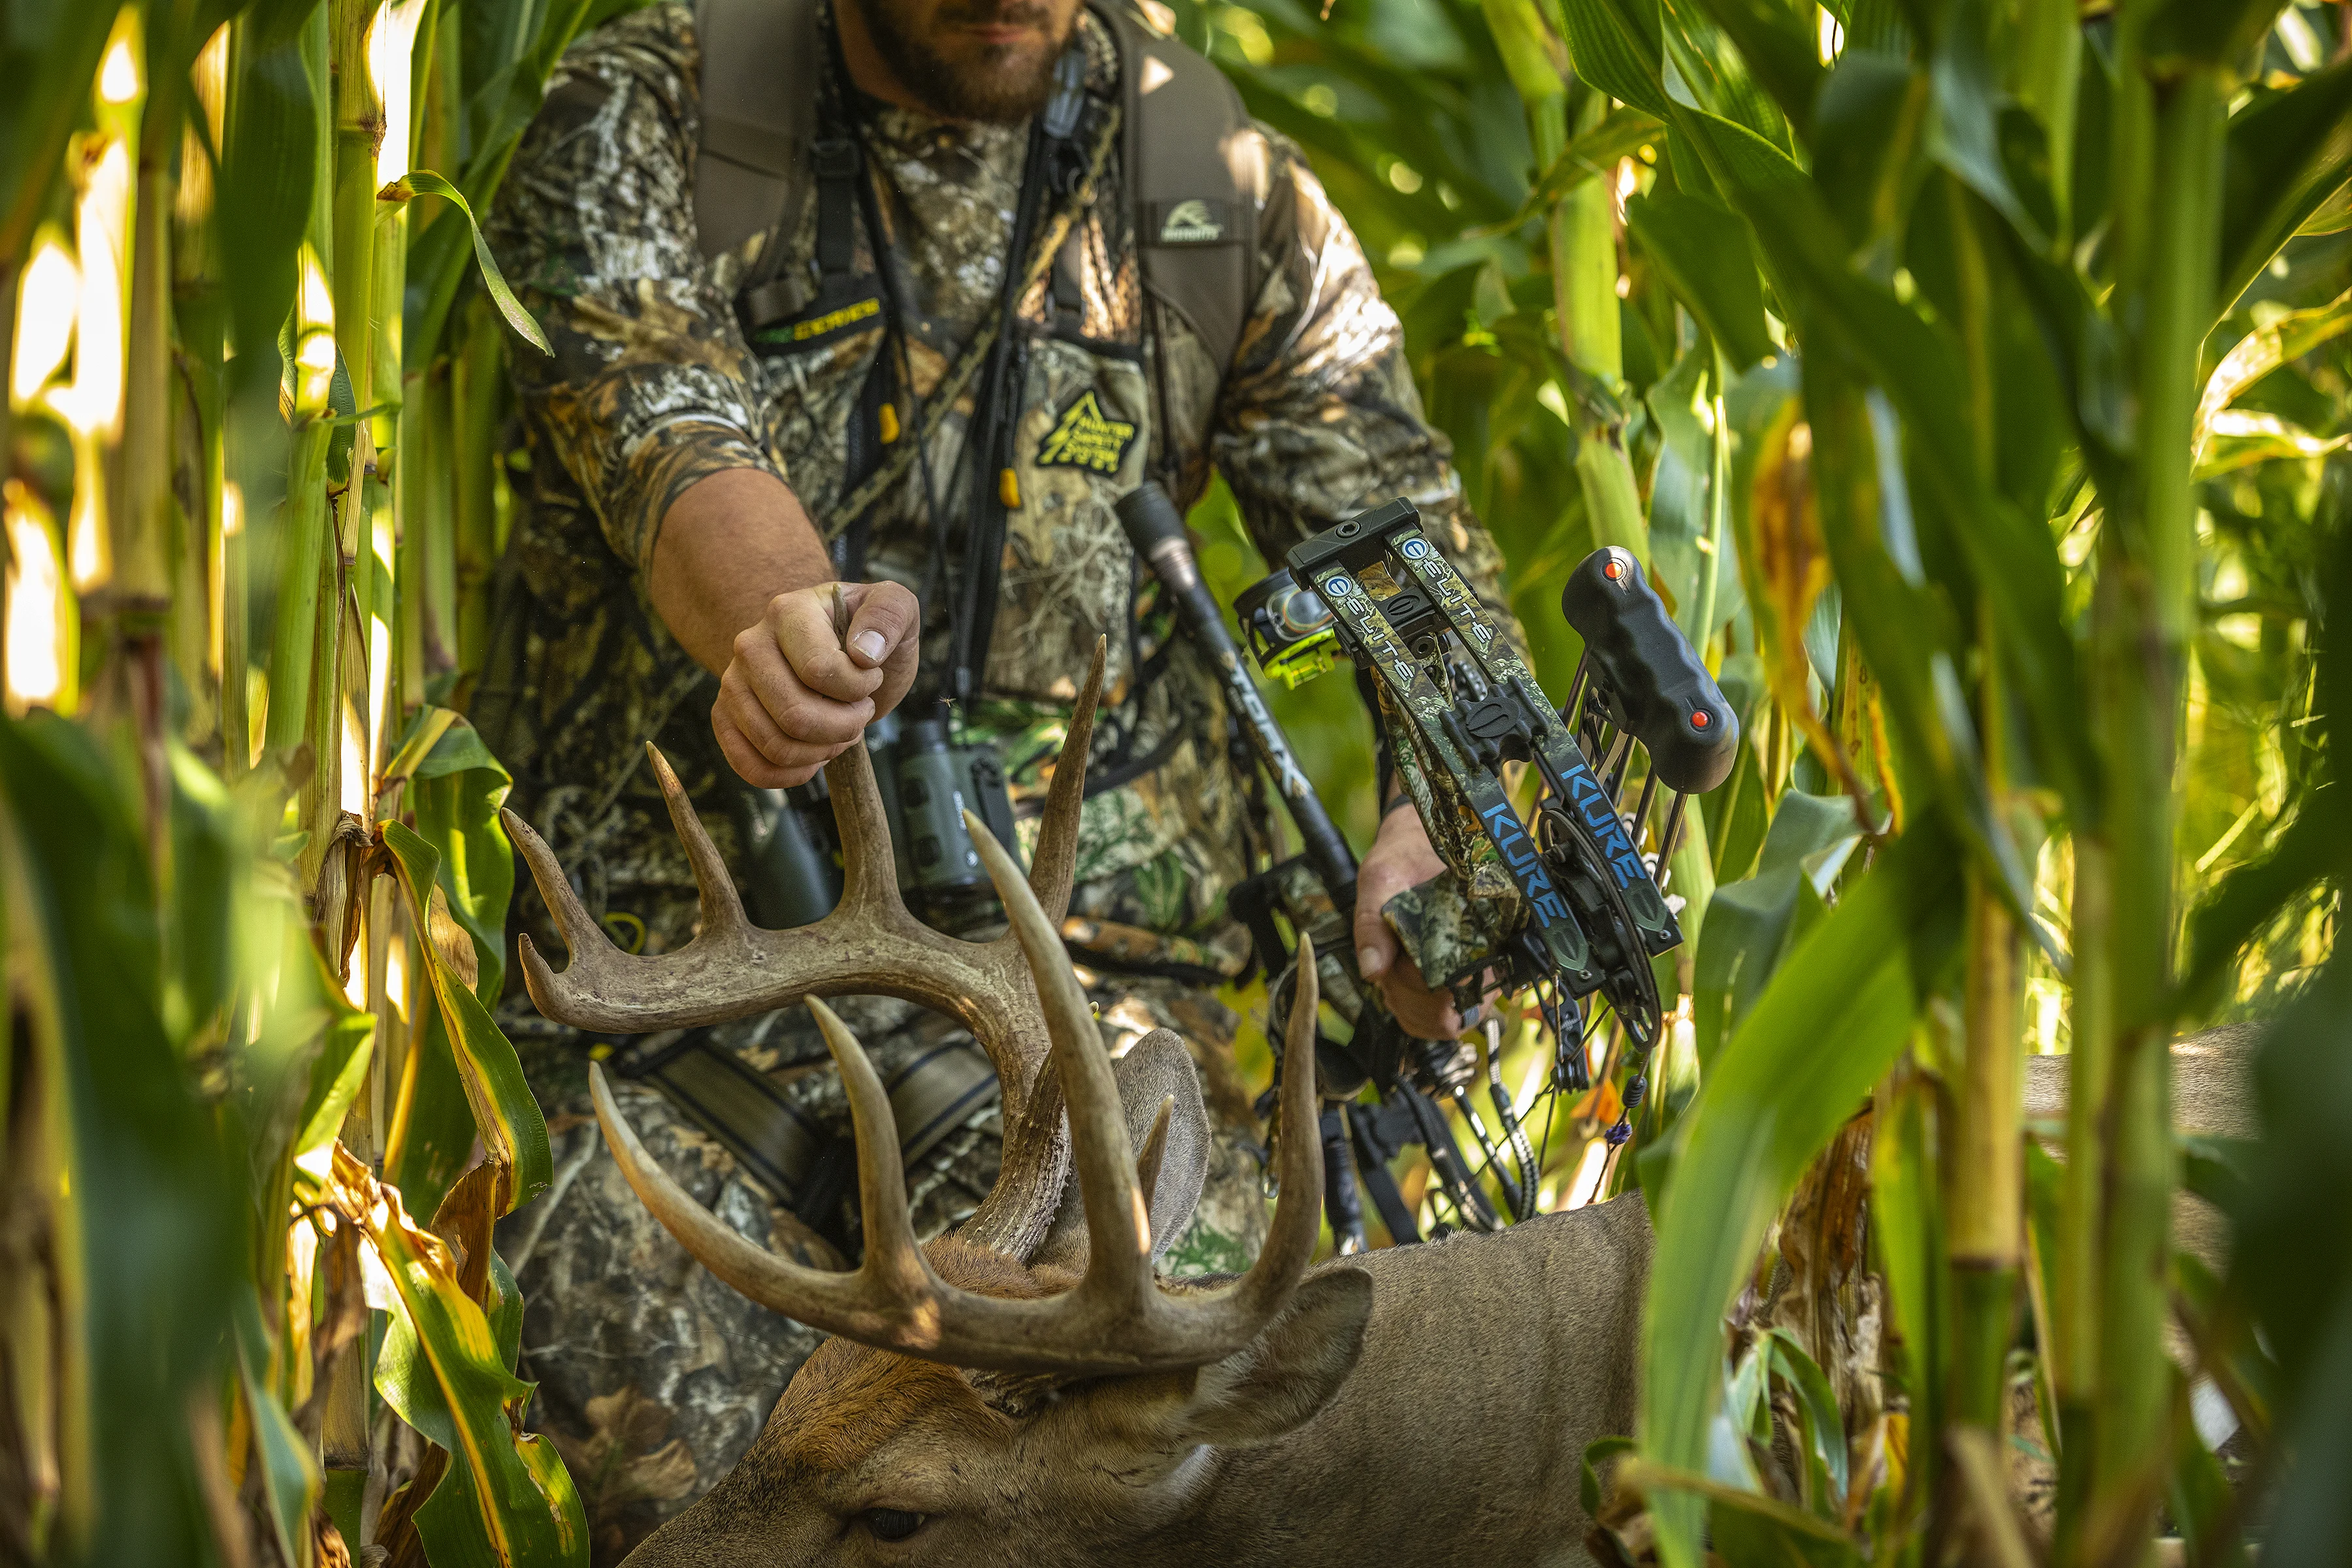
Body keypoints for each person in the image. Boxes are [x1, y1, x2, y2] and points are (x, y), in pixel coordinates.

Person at [476, 0, 1528, 1554]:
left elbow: (1414, 556)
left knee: (1253, 1452)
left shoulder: (1212, 179)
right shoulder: (665, 109)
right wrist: (788, 632)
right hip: (687, 1025)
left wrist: (1433, 830)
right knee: (713, 1499)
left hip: (1090, 1039)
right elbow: (673, 443)